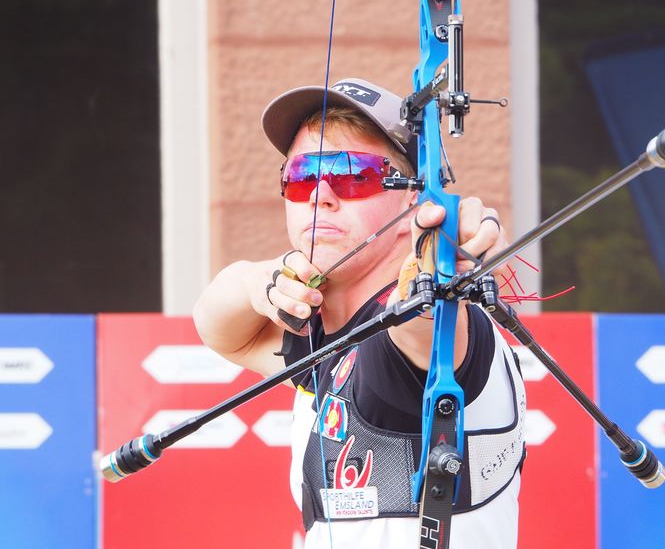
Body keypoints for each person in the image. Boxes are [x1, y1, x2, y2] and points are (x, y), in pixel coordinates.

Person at [193, 78, 527, 549]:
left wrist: (439, 260)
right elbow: (222, 331)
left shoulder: (423, 331)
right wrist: (254, 279)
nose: (319, 194)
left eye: (353, 174)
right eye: (303, 174)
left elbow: (420, 331)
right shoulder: (324, 336)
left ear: (413, 194)